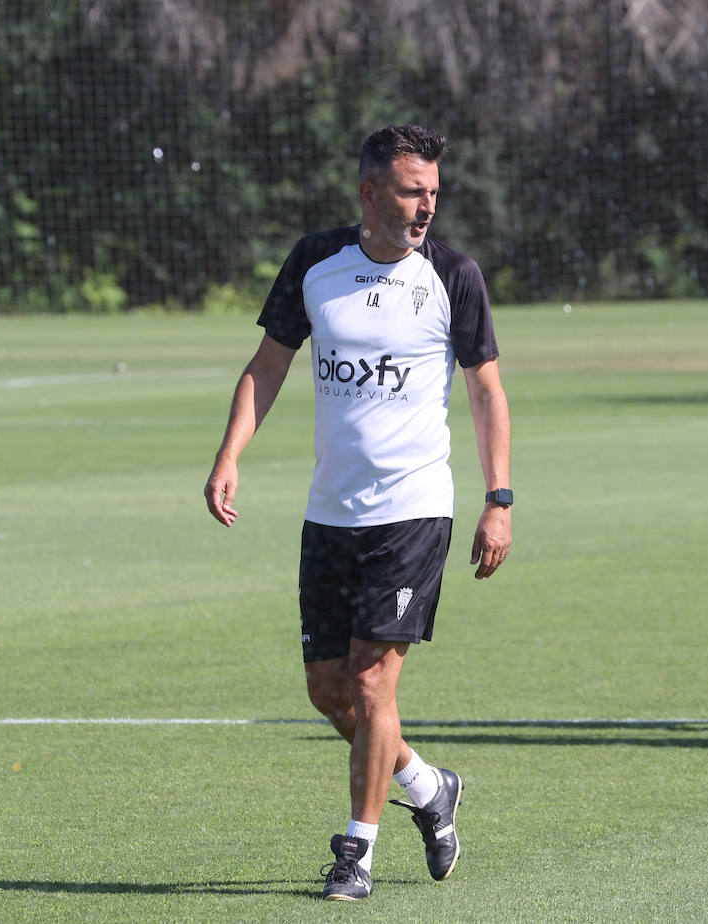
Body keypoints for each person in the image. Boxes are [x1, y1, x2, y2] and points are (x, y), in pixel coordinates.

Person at [203, 124, 513, 900]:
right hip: (329, 512)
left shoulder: (453, 274)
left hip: (414, 511)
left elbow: (485, 391)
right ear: (370, 191)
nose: (425, 209)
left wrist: (498, 498)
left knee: (374, 684)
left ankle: (357, 851)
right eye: (412, 191)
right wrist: (230, 453)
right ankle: (427, 786)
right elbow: (267, 366)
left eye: (434, 194)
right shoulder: (315, 263)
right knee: (328, 689)